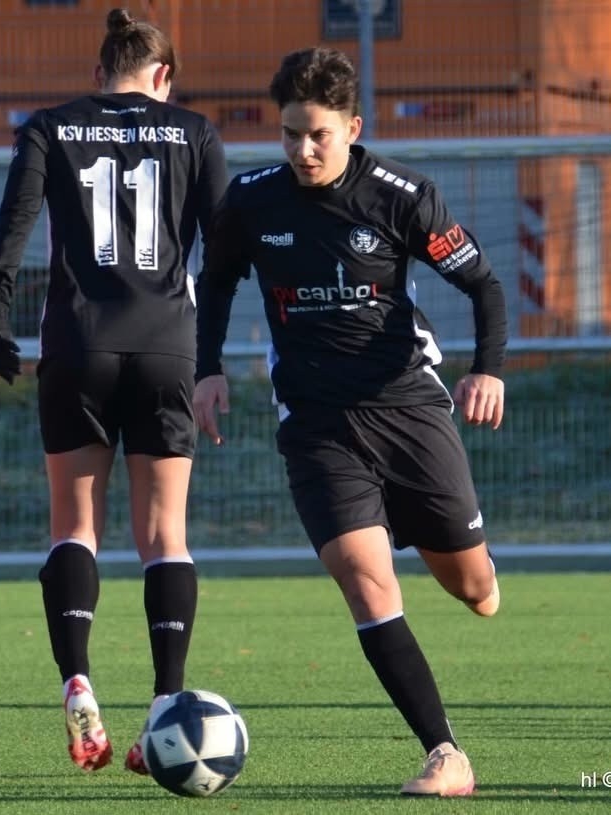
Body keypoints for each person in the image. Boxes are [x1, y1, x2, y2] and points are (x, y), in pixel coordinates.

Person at [194, 46, 505, 797]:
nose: (303, 150)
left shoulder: (403, 197)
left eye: (319, 135)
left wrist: (487, 368)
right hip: (317, 424)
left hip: (408, 411)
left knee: (474, 588)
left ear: (353, 128)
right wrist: (206, 370)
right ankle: (445, 753)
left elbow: (484, 284)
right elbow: (218, 280)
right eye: (290, 133)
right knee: (367, 584)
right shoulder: (252, 200)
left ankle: (471, 567)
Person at [0, 8, 228, 774]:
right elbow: (224, 254)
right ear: (164, 76)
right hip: (167, 347)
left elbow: (15, 224)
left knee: (74, 523)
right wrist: (214, 358)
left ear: (99, 73)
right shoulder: (196, 132)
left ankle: (78, 680)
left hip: (77, 344)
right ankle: (165, 706)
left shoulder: (50, 125)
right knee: (164, 535)